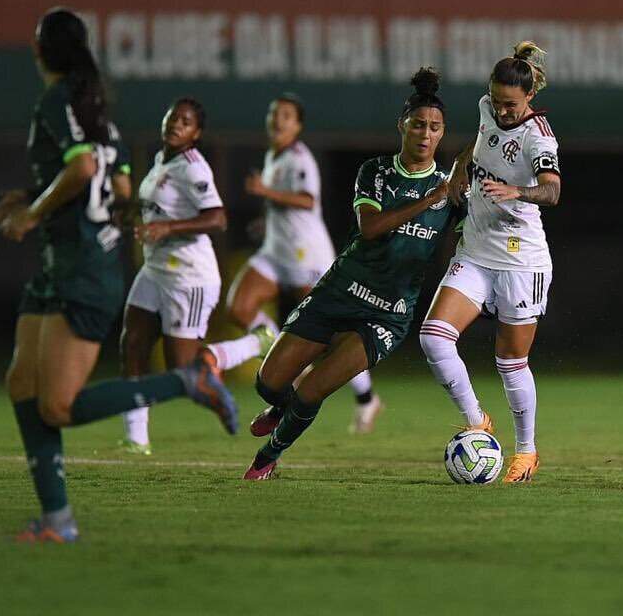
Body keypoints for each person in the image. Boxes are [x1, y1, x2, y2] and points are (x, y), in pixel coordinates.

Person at [0, 8, 238, 543]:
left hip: (83, 268)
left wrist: (32, 213)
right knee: (21, 384)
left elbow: (82, 170)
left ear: (40, 52)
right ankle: (57, 519)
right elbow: (121, 196)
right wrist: (40, 201)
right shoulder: (103, 118)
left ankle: (186, 380)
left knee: (55, 404)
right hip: (69, 264)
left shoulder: (58, 103)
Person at [240, 68, 458, 479]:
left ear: (442, 133)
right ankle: (277, 405)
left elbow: (471, 231)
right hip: (340, 291)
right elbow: (371, 228)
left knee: (311, 390)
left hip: (387, 314)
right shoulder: (377, 172)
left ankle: (267, 457)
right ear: (403, 126)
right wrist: (431, 199)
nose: (425, 134)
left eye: (434, 127)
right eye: (417, 125)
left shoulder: (450, 190)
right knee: (268, 383)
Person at [419, 42, 560, 483]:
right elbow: (480, 145)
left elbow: (552, 190)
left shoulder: (539, 135)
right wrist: (461, 167)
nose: (502, 112)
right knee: (434, 339)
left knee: (510, 362)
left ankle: (526, 451)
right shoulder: (487, 109)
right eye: (496, 101)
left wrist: (517, 191)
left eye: (511, 105)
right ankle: (477, 420)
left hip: (522, 261)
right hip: (477, 252)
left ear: (529, 98)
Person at [224, 93, 383, 434]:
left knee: (332, 331)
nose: (277, 120)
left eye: (285, 115)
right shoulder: (274, 156)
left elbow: (307, 199)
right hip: (274, 251)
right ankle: (276, 349)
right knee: (239, 306)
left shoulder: (300, 159)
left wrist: (266, 193)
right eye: (273, 114)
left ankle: (367, 397)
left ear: (297, 125)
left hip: (305, 255)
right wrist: (267, 221)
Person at [118, 97, 264, 454]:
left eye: (185, 121)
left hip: (189, 277)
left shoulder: (192, 167)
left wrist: (168, 227)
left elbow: (217, 218)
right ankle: (137, 440)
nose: (175, 124)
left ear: (196, 133)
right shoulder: (160, 162)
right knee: (132, 343)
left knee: (183, 372)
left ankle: (257, 342)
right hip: (156, 270)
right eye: (172, 117)